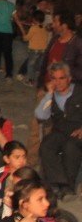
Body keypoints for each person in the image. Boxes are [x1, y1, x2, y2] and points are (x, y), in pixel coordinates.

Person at [34, 61, 82, 199]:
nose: (58, 82)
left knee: (70, 147)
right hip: (60, 131)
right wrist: (49, 94)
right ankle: (57, 183)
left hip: (78, 132)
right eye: (54, 78)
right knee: (47, 146)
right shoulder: (51, 95)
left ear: (69, 78)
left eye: (61, 78)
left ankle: (68, 187)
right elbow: (40, 115)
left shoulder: (79, 91)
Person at [0, 141, 28, 221]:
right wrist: (3, 200)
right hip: (0, 210)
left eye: (24, 157)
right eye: (17, 157)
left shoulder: (28, 174)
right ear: (6, 159)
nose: (22, 161)